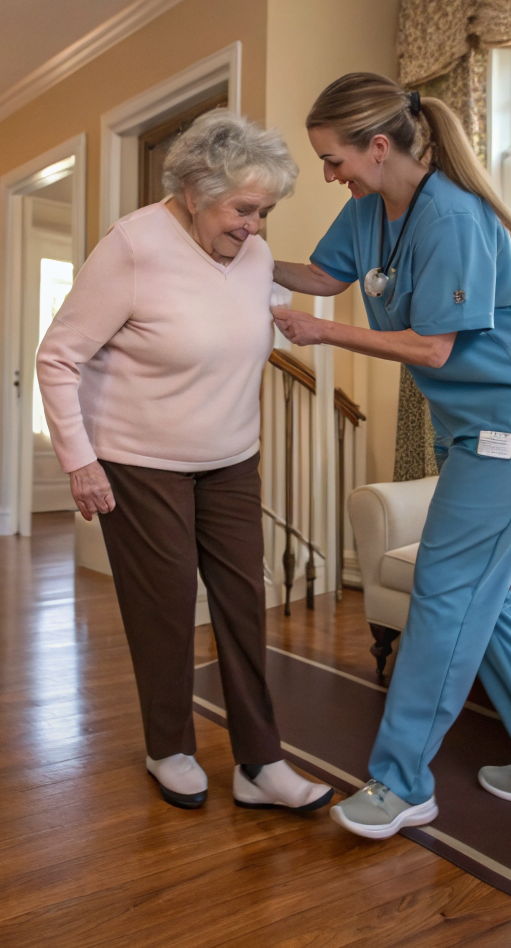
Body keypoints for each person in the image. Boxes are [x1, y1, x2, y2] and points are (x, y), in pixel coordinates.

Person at [271, 74, 511, 839]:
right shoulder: (366, 212)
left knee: (446, 583)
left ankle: (401, 782)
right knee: (476, 595)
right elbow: (324, 277)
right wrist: (236, 250)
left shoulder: (452, 217)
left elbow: (430, 344)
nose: (329, 175)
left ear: (378, 145)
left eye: (333, 159)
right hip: (473, 422)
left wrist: (322, 333)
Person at [36, 109, 332, 814]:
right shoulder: (132, 247)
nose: (255, 226)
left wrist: (297, 312)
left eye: (263, 211)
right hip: (139, 462)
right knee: (165, 607)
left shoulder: (252, 251)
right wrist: (80, 462)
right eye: (243, 209)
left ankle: (260, 764)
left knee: (243, 603)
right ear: (196, 190)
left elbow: (250, 305)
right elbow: (58, 357)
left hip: (231, 456)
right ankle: (167, 747)